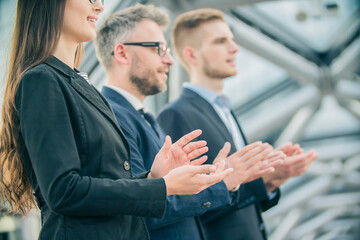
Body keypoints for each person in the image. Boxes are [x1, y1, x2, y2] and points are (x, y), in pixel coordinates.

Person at [0, 2, 233, 240]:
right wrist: (163, 187)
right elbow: (63, 191)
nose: (100, 6)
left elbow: (104, 182)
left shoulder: (77, 83)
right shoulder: (41, 80)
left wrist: (153, 177)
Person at [95, 4, 286, 240]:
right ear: (122, 53)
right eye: (158, 49)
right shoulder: (112, 118)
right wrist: (222, 182)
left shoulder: (144, 118)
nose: (170, 60)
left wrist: (215, 178)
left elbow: (169, 199)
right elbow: (135, 210)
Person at [158, 8, 318, 240]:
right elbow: (190, 207)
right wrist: (261, 180)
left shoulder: (225, 110)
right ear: (192, 55)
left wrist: (270, 178)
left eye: (232, 40)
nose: (234, 48)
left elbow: (237, 204)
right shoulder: (176, 115)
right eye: (221, 41)